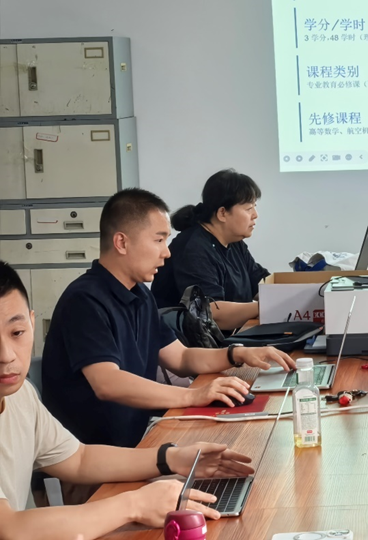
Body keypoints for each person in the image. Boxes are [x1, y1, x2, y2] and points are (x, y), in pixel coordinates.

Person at [0, 260, 253, 539]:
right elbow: (8, 528)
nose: (7, 356)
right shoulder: (85, 299)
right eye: (158, 240)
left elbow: (79, 459)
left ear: (32, 322)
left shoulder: (20, 395)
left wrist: (172, 458)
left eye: (17, 333)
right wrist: (135, 505)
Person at [41, 188, 295, 449]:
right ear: (122, 243)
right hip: (93, 453)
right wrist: (193, 395)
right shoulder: (85, 301)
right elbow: (108, 383)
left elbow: (180, 358)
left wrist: (238, 354)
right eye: (159, 240)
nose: (167, 252)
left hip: (136, 440)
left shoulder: (139, 294)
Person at [151, 169, 269, 331]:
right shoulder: (194, 249)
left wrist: (292, 294)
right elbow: (212, 314)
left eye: (254, 207)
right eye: (249, 209)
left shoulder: (235, 243)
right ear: (222, 213)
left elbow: (260, 284)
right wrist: (268, 306)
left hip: (226, 339)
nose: (255, 215)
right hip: (187, 343)